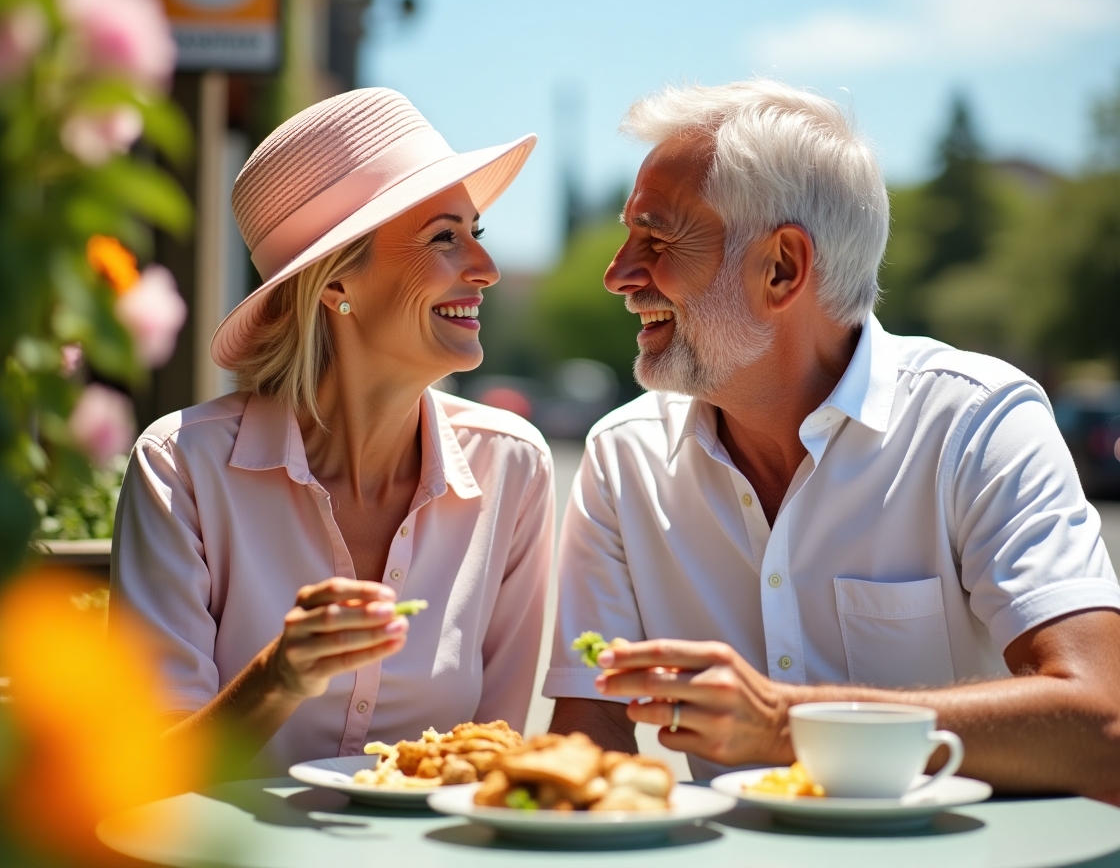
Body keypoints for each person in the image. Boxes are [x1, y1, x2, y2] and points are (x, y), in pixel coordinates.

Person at [544, 79, 1120, 801]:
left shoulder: (977, 423)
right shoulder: (621, 456)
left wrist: (788, 726)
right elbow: (583, 737)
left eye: (657, 238)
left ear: (782, 268)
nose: (618, 275)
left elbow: (1103, 727)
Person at [112, 88, 554, 774]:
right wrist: (277, 678)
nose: (486, 268)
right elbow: (142, 776)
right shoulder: (180, 470)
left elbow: (494, 756)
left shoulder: (513, 468)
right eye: (445, 237)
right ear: (335, 282)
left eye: (477, 232)